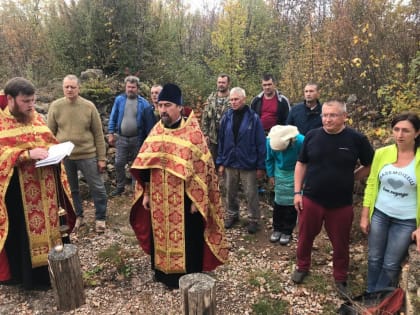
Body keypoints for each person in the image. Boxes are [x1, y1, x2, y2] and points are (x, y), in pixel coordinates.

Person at [129, 83, 228, 289]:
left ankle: (188, 277)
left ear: (180, 107)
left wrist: (197, 200)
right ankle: (163, 274)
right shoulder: (157, 130)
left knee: (188, 238)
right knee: (161, 235)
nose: (163, 110)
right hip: (158, 196)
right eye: (160, 105)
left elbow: (202, 170)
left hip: (184, 199)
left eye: (167, 105)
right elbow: (146, 165)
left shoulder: (192, 133)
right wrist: (146, 193)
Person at [291, 100, 374, 298]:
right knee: (304, 236)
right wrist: (296, 192)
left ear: (344, 116)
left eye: (333, 115)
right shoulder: (312, 136)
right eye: (325, 115)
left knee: (341, 242)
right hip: (311, 198)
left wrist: (352, 176)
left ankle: (340, 277)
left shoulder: (357, 139)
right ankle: (302, 266)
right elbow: (301, 164)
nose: (327, 119)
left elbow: (371, 164)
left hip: (341, 203)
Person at [0, 77, 75, 289]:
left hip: (47, 190)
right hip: (18, 193)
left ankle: (56, 270)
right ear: (10, 99)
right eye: (26, 101)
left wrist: (56, 153)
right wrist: (24, 155)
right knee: (24, 235)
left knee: (53, 230)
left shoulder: (36, 119)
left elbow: (49, 141)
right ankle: (30, 279)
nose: (31, 106)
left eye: (33, 100)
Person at [360, 112, 420, 293]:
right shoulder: (382, 153)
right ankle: (371, 295)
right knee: (374, 258)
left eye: (406, 131)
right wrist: (364, 214)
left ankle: (381, 300)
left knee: (391, 263)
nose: (400, 135)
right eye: (396, 129)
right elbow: (371, 183)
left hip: (406, 220)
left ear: (417, 133)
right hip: (380, 214)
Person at [48, 74, 108, 233]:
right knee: (71, 189)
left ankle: (101, 217)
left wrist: (101, 158)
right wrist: (51, 156)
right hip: (64, 157)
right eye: (66, 87)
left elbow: (98, 134)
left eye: (72, 87)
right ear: (63, 88)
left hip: (87, 154)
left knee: (97, 187)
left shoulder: (89, 107)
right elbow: (50, 134)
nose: (69, 89)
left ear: (78, 88)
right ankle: (78, 217)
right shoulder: (55, 106)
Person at [217, 87, 266, 234]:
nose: (233, 102)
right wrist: (220, 162)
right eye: (231, 99)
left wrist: (260, 166)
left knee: (251, 193)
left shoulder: (253, 118)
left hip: (248, 162)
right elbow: (221, 140)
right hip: (230, 161)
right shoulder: (226, 117)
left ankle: (254, 219)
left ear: (244, 99)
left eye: (236, 99)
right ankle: (232, 215)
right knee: (230, 191)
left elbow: (261, 143)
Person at [108, 76, 156, 197]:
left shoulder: (144, 103)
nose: (130, 89)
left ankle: (137, 188)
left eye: (133, 87)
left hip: (137, 139)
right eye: (128, 87)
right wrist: (111, 132)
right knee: (119, 163)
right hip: (122, 138)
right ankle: (120, 187)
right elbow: (113, 116)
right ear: (125, 87)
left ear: (137, 88)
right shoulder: (119, 100)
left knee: (137, 164)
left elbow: (147, 123)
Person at [266, 125, 304, 245]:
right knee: (279, 201)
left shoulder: (301, 141)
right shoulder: (270, 141)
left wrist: (304, 179)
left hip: (295, 171)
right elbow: (269, 159)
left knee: (293, 202)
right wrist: (271, 175)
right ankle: (277, 228)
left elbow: (307, 161)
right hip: (279, 172)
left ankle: (287, 230)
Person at [201, 74, 231, 163]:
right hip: (213, 137)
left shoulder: (233, 99)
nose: (221, 84)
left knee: (226, 163)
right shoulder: (211, 98)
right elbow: (205, 117)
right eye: (219, 82)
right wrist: (205, 135)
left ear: (228, 84)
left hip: (228, 137)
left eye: (223, 82)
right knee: (212, 163)